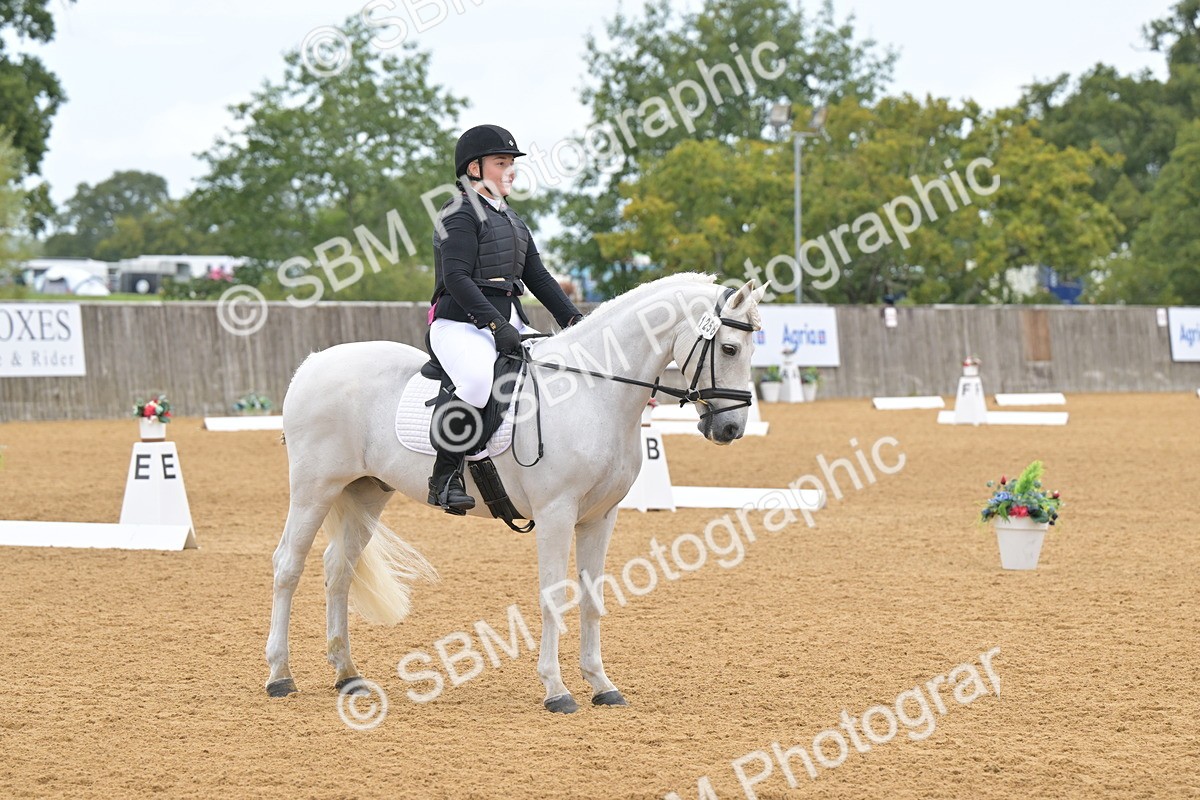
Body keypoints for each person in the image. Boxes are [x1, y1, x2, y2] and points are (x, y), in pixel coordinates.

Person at [426, 124, 583, 514]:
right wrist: (496, 325)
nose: (511, 170)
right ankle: (444, 477)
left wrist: (576, 323)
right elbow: (457, 278)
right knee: (479, 383)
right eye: (501, 162)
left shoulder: (512, 219)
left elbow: (540, 280)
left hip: (508, 321)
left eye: (512, 163)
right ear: (474, 169)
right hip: (459, 323)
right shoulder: (458, 213)